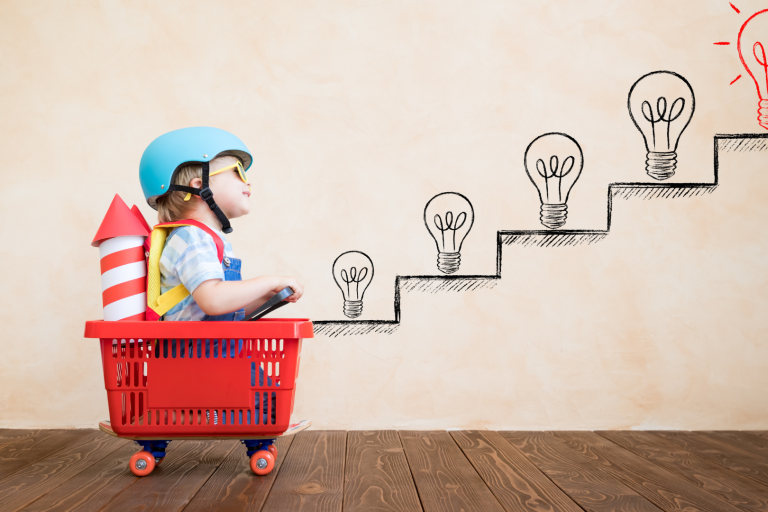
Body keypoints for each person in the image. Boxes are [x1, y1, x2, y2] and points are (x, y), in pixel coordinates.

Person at [139, 126, 304, 424]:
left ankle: (230, 421)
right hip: (198, 356)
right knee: (269, 403)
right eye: (238, 170)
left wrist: (267, 299)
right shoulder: (192, 237)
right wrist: (271, 281)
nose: (247, 181)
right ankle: (247, 432)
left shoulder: (203, 238)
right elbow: (213, 302)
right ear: (200, 185)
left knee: (269, 398)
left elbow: (217, 308)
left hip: (208, 348)